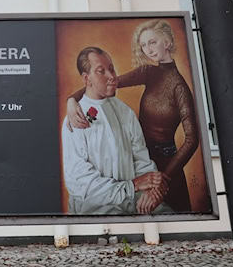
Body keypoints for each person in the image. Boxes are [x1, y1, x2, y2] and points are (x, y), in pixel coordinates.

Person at [66, 20, 199, 212]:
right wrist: (71, 100)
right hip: (138, 173)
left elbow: (192, 139)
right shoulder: (147, 73)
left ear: (167, 42)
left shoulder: (179, 87)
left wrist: (160, 183)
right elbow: (107, 83)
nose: (148, 49)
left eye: (152, 42)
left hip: (167, 167)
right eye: (143, 45)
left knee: (169, 220)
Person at [61, 46, 170, 215]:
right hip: (96, 207)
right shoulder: (74, 119)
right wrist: (132, 186)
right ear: (86, 78)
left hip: (133, 199)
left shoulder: (125, 112)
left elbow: (141, 160)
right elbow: (81, 182)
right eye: (101, 71)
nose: (112, 76)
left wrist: (151, 190)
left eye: (111, 68)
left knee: (166, 214)